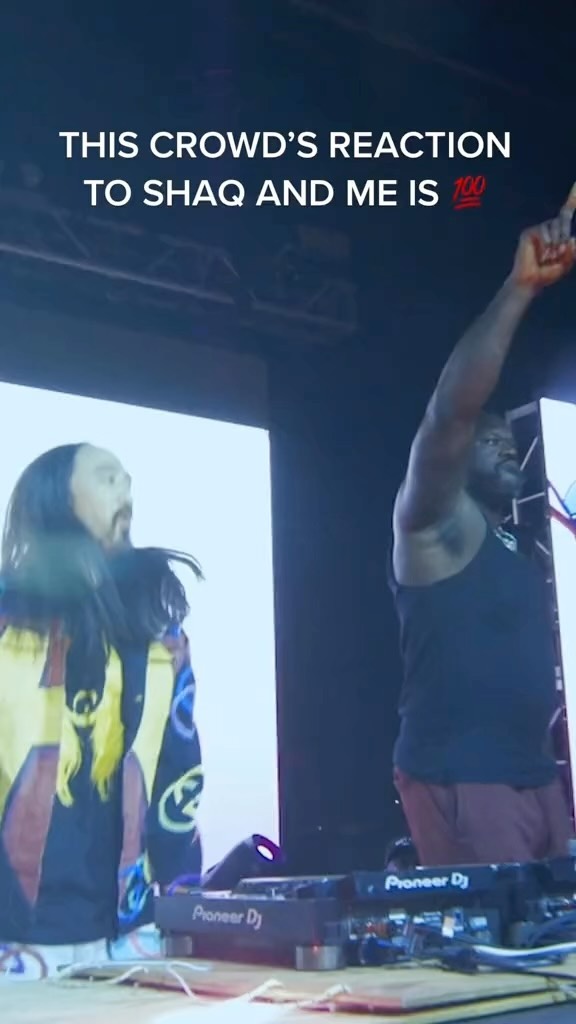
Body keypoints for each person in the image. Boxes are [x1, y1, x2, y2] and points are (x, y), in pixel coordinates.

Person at [390, 186, 576, 866]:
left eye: (509, 442)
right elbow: (451, 409)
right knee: (501, 928)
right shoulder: (435, 524)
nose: (505, 448)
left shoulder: (515, 547)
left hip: (535, 773)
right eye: (488, 439)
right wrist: (519, 291)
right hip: (465, 775)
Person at [0, 443, 203, 977]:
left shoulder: (160, 639)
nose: (126, 491)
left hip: (130, 936)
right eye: (108, 477)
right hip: (15, 940)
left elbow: (180, 776)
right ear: (55, 498)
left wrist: (184, 906)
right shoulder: (6, 625)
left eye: (128, 480)